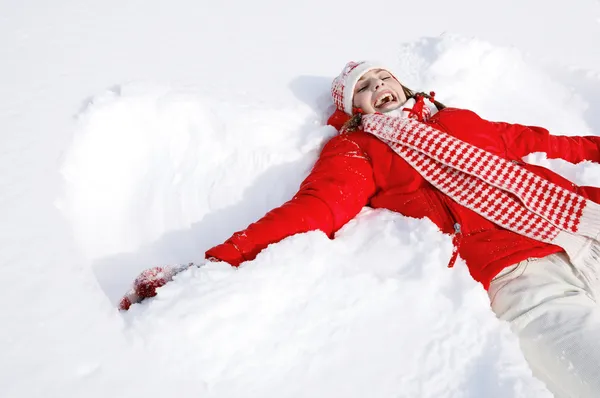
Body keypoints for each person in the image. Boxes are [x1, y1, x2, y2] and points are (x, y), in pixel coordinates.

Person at [119, 61, 600, 398]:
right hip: (522, 276)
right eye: (364, 85)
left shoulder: (460, 119)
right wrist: (214, 263)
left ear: (405, 87)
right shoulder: (358, 151)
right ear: (355, 108)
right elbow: (313, 212)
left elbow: (544, 141)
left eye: (384, 76)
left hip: (584, 222)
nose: (379, 85)